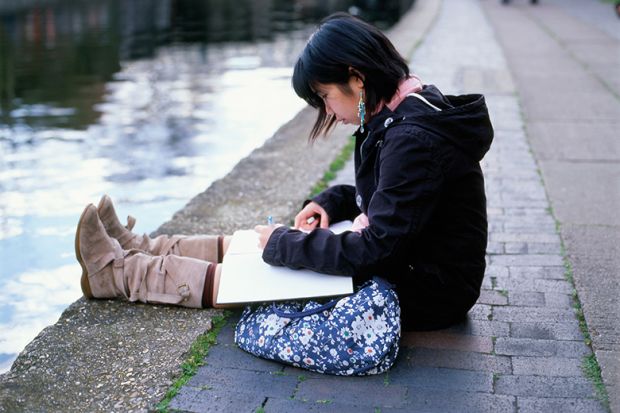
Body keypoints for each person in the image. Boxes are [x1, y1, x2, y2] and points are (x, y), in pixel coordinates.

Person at [76, 13, 493, 331]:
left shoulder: (411, 137)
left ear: (357, 79)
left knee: (261, 268)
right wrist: (328, 202)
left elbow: (377, 248)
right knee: (268, 244)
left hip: (429, 290)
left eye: (325, 97)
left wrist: (284, 245)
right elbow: (393, 200)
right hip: (415, 265)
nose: (327, 111)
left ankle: (118, 274)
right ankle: (147, 245)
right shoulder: (402, 111)